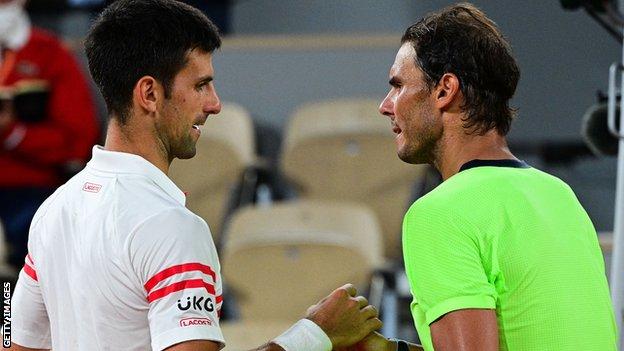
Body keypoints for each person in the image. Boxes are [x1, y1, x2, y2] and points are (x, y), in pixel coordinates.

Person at [8, 0, 381, 350]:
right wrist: (314, 335)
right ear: (149, 94)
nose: (214, 104)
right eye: (201, 85)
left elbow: (12, 340)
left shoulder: (53, 210)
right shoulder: (171, 227)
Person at [342, 3, 617, 351]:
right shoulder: (560, 196)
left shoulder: (439, 214)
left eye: (398, 86)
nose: (385, 105)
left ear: (445, 90)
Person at [0, 0, 99, 271]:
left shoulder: (50, 54)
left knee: (37, 236)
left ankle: (10, 312)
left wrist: (14, 133)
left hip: (28, 191)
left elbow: (78, 141)